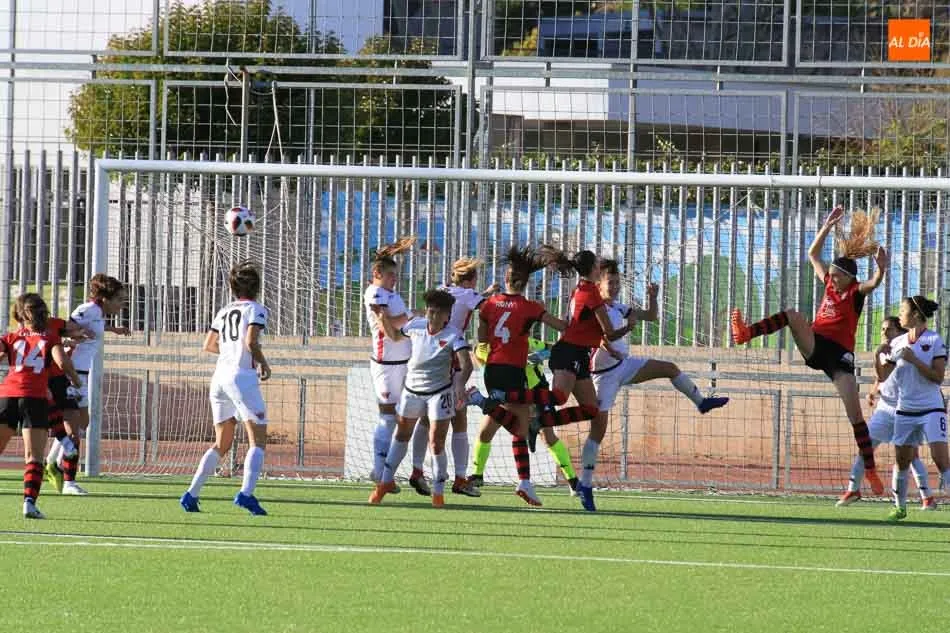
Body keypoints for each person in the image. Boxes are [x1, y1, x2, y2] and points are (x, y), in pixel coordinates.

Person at [730, 206, 889, 495]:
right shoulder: (829, 283)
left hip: (840, 358)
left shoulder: (855, 292)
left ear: (847, 277)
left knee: (855, 417)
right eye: (831, 274)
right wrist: (827, 226)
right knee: (792, 315)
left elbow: (874, 283)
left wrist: (881, 268)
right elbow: (812, 254)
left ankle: (870, 470)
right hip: (816, 345)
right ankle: (745, 334)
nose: (831, 278)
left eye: (836, 275)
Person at [582, 259, 728, 510]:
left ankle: (701, 402)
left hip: (624, 366)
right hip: (603, 376)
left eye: (617, 282)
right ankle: (585, 485)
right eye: (610, 282)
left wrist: (652, 297)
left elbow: (650, 316)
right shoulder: (596, 308)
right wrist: (618, 341)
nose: (615, 287)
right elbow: (601, 338)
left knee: (669, 368)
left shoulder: (619, 307)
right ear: (598, 285)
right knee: (598, 430)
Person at [466, 245, 567, 506]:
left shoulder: (490, 304)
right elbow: (561, 327)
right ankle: (524, 482)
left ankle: (477, 474)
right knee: (519, 428)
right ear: (526, 282)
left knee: (492, 426)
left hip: (492, 370)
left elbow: (482, 337)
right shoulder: (531, 307)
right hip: (513, 370)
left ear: (506, 279)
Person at [180, 262, 272, 516]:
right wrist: (262, 363)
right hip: (241, 378)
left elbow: (209, 344)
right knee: (257, 440)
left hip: (219, 378)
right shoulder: (256, 309)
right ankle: (246, 494)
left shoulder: (224, 310)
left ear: (233, 288)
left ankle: (191, 494)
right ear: (257, 287)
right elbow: (251, 341)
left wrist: (231, 351)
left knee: (222, 442)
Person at [368, 289, 474, 508]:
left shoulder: (453, 335)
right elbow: (395, 336)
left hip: (439, 393)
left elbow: (466, 364)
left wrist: (459, 385)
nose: (432, 316)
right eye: (430, 311)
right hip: (411, 391)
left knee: (436, 441)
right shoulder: (415, 326)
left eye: (438, 313)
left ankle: (438, 492)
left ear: (447, 315)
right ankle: (385, 482)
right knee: (401, 434)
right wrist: (382, 318)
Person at [46, 273, 131, 495]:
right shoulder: (88, 309)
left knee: (83, 423)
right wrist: (75, 335)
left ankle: (52, 461)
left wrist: (113, 329)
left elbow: (94, 327)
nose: (122, 304)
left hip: (81, 374)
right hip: (71, 374)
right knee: (74, 429)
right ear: (105, 299)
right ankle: (68, 481)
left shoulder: (98, 313)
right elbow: (61, 330)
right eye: (119, 299)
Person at [836, 316, 934, 509]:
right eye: (882, 329)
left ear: (900, 332)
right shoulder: (884, 351)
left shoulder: (908, 350)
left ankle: (927, 498)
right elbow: (880, 377)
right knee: (865, 447)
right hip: (885, 409)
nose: (884, 333)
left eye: (889, 329)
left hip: (906, 409)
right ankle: (853, 489)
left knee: (911, 455)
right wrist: (873, 392)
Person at [0, 294, 82, 518]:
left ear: (18, 315)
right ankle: (29, 503)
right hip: (34, 398)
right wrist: (76, 380)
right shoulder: (49, 338)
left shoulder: (10, 337)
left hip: (7, 395)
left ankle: (65, 441)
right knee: (34, 456)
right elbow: (62, 362)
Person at [467, 337, 579, 494]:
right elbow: (478, 355)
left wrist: (542, 354)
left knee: (548, 437)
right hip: (509, 394)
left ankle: (573, 481)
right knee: (485, 433)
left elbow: (552, 348)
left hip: (537, 392)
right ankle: (477, 475)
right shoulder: (486, 348)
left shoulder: (527, 342)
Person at [364, 237, 430, 496]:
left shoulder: (390, 294)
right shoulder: (375, 293)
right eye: (391, 275)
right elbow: (390, 330)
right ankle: (380, 472)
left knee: (415, 415)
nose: (395, 279)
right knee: (388, 417)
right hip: (387, 366)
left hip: (405, 364)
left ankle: (401, 471)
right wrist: (413, 319)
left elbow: (399, 324)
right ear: (377, 273)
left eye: (396, 275)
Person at [438, 257, 498, 497]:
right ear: (471, 280)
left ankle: (421, 472)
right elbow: (491, 309)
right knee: (455, 418)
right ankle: (459, 478)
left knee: (431, 420)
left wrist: (485, 293)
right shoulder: (468, 295)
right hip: (452, 352)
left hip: (430, 352)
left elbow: (464, 301)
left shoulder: (443, 289)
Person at [885, 296, 947, 522]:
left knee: (941, 460)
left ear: (916, 315)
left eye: (903, 310)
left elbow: (938, 377)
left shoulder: (934, 340)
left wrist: (914, 360)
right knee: (902, 461)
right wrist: (879, 358)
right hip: (905, 409)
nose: (899, 314)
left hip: (931, 408)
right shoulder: (897, 342)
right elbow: (883, 375)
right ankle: (899, 507)